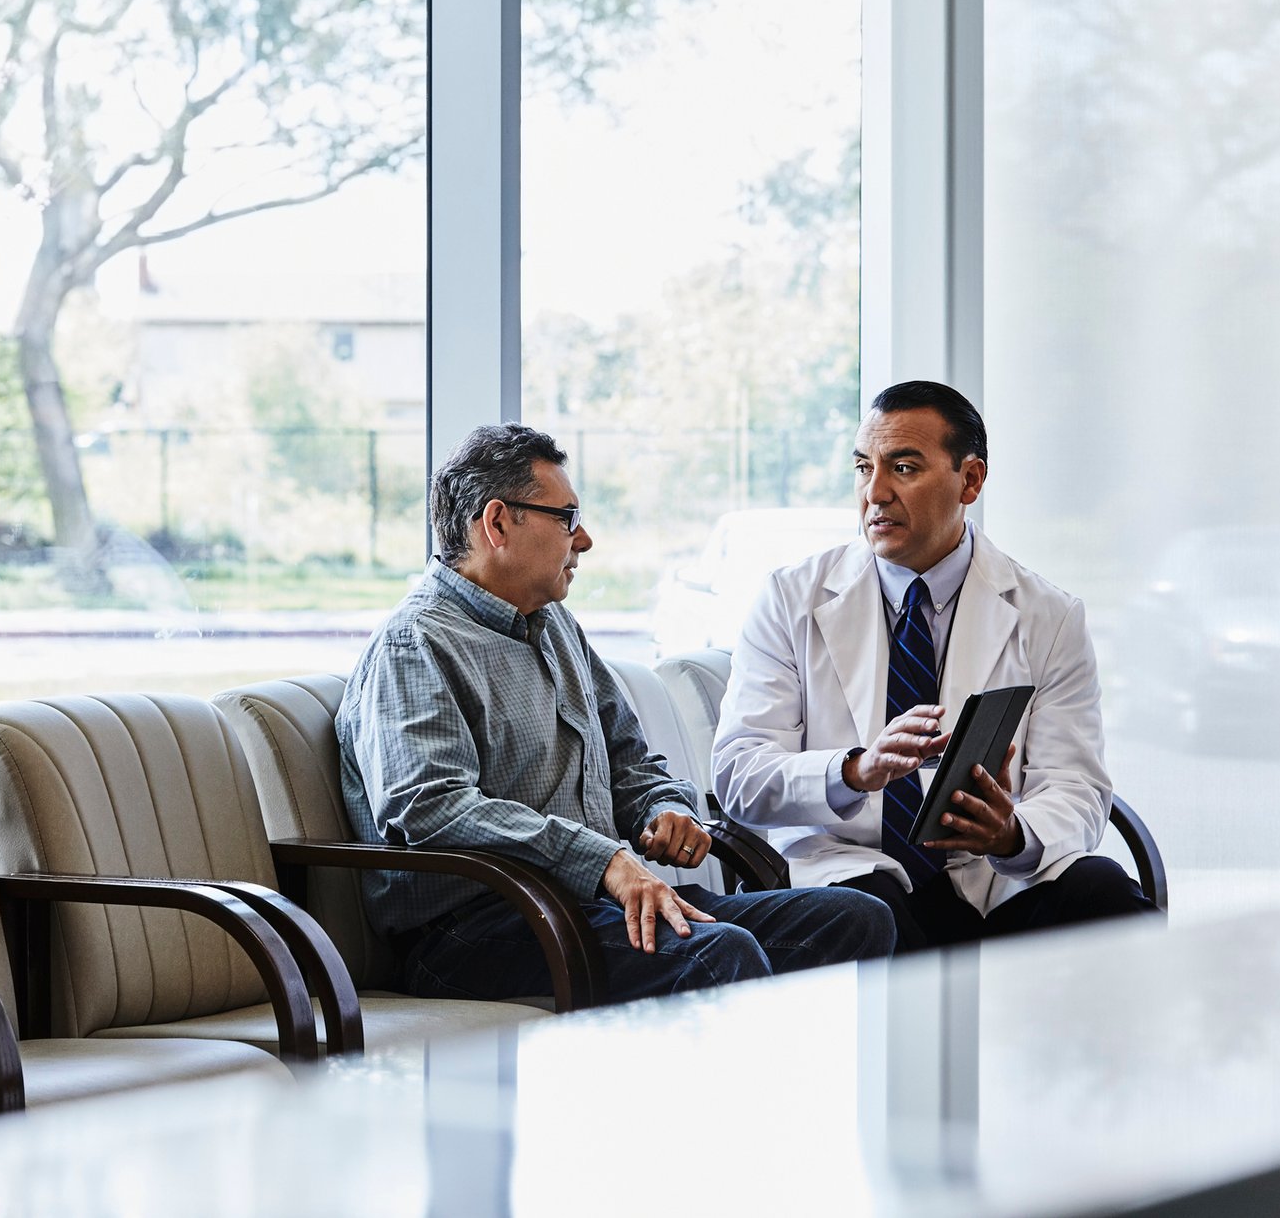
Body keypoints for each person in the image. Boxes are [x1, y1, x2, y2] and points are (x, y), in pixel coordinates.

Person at [339, 423, 896, 1002]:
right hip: (472, 933)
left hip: (586, 907)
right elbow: (430, 808)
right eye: (567, 518)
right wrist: (603, 861)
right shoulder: (415, 645)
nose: (585, 541)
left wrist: (665, 808)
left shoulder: (554, 626)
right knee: (720, 954)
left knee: (857, 919)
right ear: (498, 522)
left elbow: (629, 762)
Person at [713, 382, 1155, 952]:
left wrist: (1012, 832)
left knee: (1107, 894)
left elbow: (1077, 787)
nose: (875, 493)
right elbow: (737, 773)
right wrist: (853, 772)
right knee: (877, 919)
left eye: (903, 468)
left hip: (995, 878)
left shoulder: (1049, 616)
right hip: (855, 872)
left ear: (969, 480)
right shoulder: (790, 597)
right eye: (862, 467)